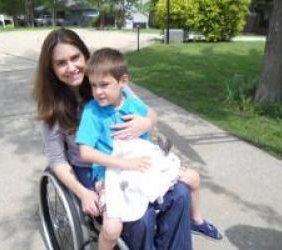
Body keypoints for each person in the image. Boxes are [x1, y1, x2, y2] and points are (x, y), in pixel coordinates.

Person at [33, 28, 192, 250]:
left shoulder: (106, 80)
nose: (71, 67)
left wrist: (146, 123)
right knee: (139, 217)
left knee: (181, 194)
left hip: (132, 157)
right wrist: (83, 192)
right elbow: (57, 160)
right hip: (92, 170)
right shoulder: (52, 109)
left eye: (75, 57)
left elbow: (148, 112)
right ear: (51, 69)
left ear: (85, 56)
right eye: (61, 63)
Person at [76, 48, 222, 249]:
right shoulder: (92, 111)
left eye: (104, 84)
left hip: (143, 163)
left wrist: (147, 124)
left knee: (193, 179)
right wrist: (124, 163)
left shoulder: (134, 105)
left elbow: (151, 118)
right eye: (93, 85)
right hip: (111, 172)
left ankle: (196, 221)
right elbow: (85, 152)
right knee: (111, 229)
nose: (98, 91)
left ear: (123, 82)